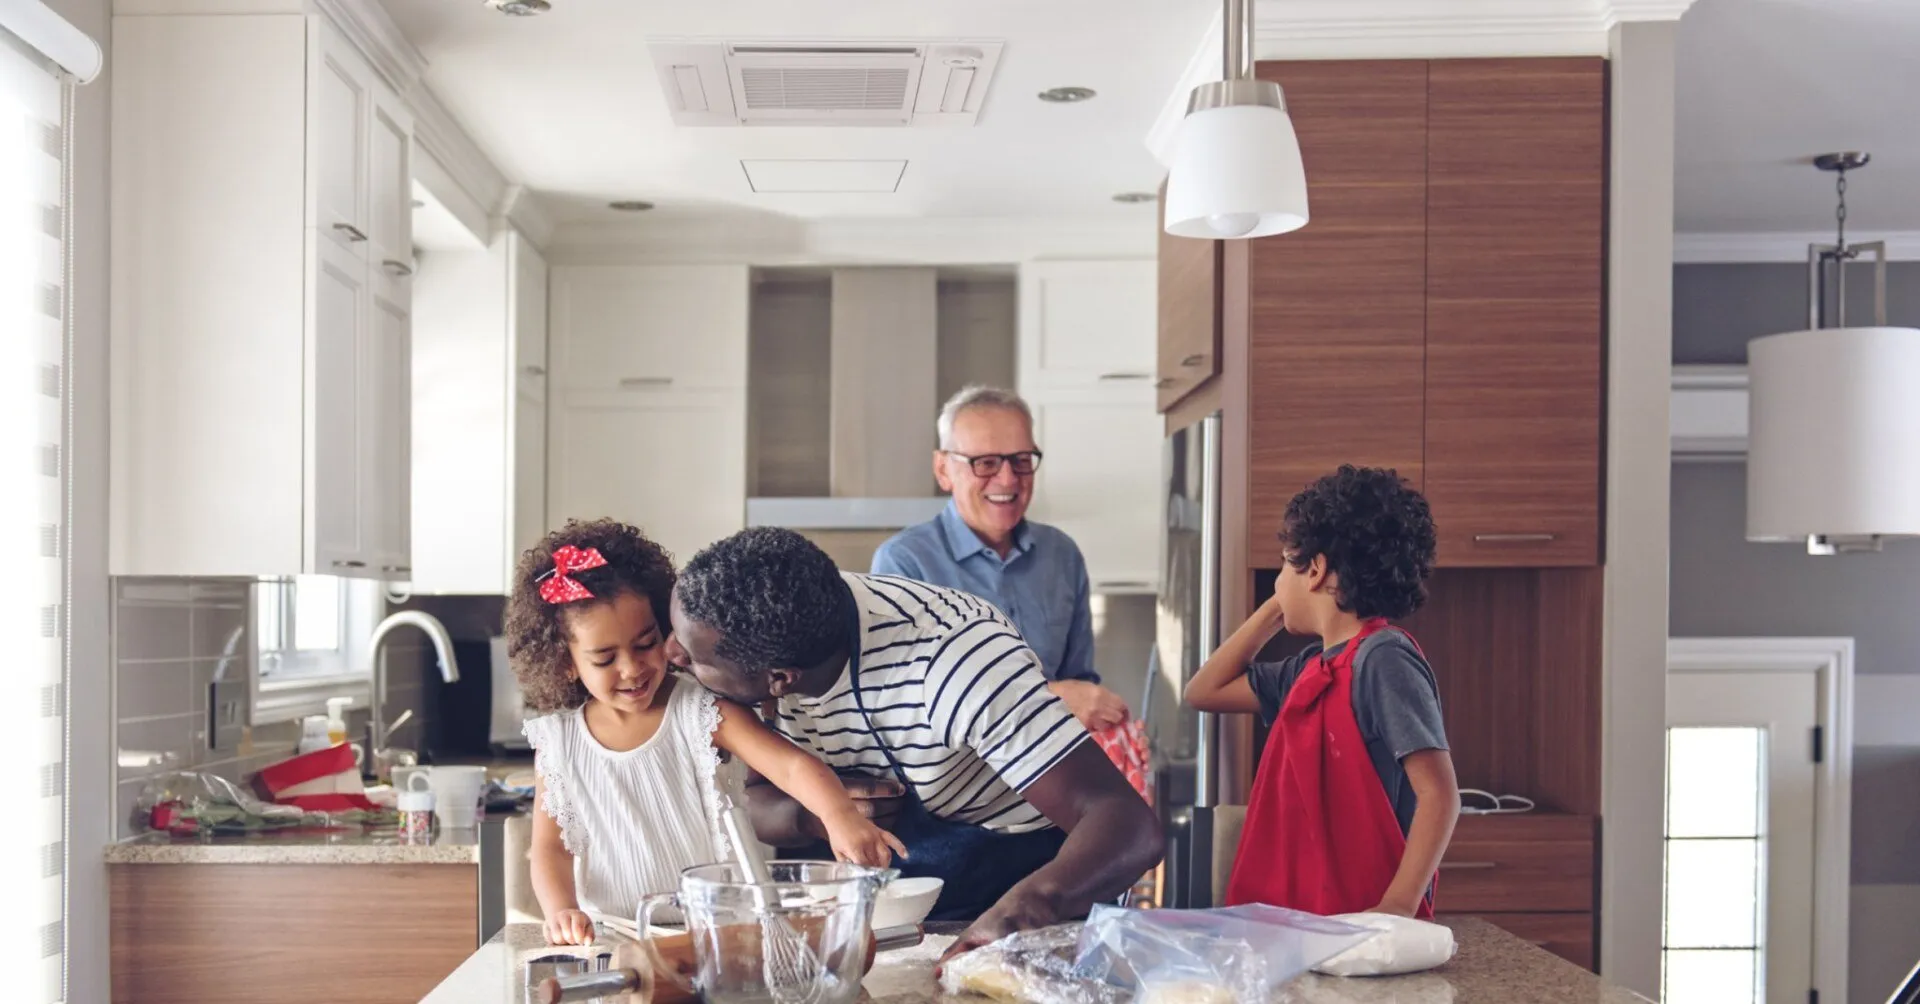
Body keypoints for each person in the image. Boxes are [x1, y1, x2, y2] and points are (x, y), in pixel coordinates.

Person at [665, 526, 1163, 959]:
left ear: (780, 679)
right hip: (860, 908)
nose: (670, 655)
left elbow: (1127, 827)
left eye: (689, 657)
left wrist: (1025, 910)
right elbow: (752, 799)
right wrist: (817, 814)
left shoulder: (957, 660)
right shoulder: (749, 640)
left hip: (1008, 883)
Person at [505, 519, 906, 946]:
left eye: (646, 643)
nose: (632, 668)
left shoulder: (699, 710)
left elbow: (790, 766)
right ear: (565, 662)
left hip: (717, 931)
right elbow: (551, 848)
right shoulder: (559, 743)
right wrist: (562, 909)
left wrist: (839, 815)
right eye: (605, 659)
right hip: (612, 936)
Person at [1184, 466, 1460, 919]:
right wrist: (1278, 602)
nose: (1278, 580)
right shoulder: (1311, 669)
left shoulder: (1383, 659)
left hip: (1366, 923)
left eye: (1283, 563)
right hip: (1308, 919)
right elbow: (1203, 691)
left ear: (1314, 570)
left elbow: (1440, 794)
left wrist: (1397, 907)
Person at [870, 385, 1128, 732]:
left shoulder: (1062, 555)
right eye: (986, 463)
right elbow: (905, 702)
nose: (1008, 479)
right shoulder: (903, 563)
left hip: (1051, 777)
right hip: (955, 783)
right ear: (943, 469)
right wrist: (1049, 698)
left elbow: (1079, 687)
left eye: (1021, 461)